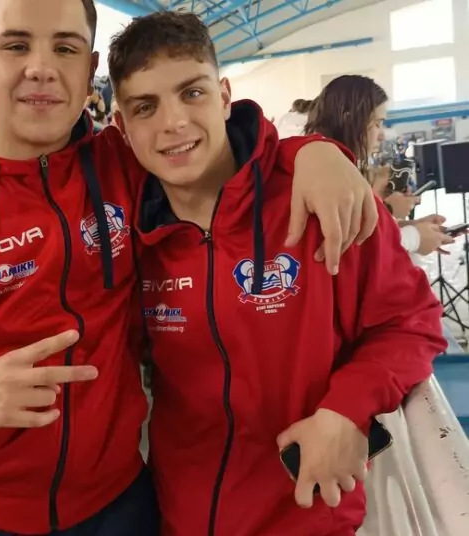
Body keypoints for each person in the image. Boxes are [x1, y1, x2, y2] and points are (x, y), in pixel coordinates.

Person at [0, 1, 378, 535]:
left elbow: (223, 142)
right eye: (16, 45)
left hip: (122, 506)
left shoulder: (123, 161)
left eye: (65, 48)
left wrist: (315, 152)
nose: (41, 67)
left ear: (89, 70)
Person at [108, 12, 446, 536]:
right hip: (179, 515)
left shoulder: (320, 203)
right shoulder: (129, 231)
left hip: (308, 514)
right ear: (121, 126)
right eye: (145, 107)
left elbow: (411, 322)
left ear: (224, 96)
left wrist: (346, 410)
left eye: (192, 93)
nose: (173, 122)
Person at [306, 75, 453, 257]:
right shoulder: (327, 172)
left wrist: (414, 227)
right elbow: (347, 249)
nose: (382, 135)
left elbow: (361, 229)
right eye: (377, 124)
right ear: (349, 120)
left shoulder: (338, 164)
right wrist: (413, 236)